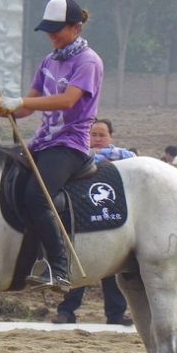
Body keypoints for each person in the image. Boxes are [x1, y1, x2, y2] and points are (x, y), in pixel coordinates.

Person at [0, 0, 103, 293]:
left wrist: (23, 101)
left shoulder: (88, 62)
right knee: (10, 185)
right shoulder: (49, 61)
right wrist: (6, 109)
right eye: (49, 30)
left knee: (38, 197)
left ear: (76, 27)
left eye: (57, 29)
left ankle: (60, 267)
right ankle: (28, 257)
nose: (52, 35)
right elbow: (28, 108)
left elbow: (68, 100)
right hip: (43, 141)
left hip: (71, 143)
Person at [53, 119, 134, 325]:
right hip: (82, 210)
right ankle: (67, 310)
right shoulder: (79, 155)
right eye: (94, 134)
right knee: (82, 260)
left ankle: (116, 314)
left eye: (102, 135)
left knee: (112, 263)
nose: (97, 139)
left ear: (111, 137)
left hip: (111, 212)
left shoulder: (124, 157)